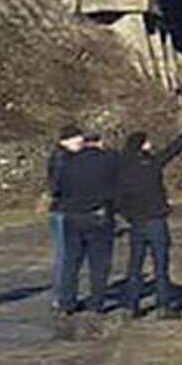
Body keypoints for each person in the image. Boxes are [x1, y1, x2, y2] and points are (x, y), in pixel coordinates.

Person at [115, 109, 182, 319]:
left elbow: (117, 197)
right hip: (156, 220)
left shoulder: (121, 166)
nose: (151, 145)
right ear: (142, 145)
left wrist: (126, 215)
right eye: (148, 143)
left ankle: (130, 306)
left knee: (134, 265)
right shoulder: (152, 163)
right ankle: (163, 305)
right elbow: (177, 147)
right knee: (161, 265)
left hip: (136, 223)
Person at [52, 130, 121, 315]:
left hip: (72, 215)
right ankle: (96, 302)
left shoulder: (68, 162)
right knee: (99, 262)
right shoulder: (110, 159)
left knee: (71, 261)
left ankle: (66, 302)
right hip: (98, 213)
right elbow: (119, 184)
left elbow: (57, 187)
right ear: (100, 142)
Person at [45, 125, 84, 314]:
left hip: (61, 208)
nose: (80, 145)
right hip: (63, 209)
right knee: (65, 255)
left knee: (66, 254)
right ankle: (62, 298)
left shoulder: (62, 156)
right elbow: (57, 185)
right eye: (78, 141)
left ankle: (65, 296)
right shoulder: (63, 158)